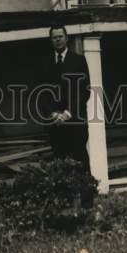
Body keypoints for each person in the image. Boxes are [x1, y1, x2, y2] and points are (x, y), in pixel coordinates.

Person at [44, 23, 94, 204]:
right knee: (59, 161)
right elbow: (42, 93)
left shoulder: (78, 60)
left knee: (80, 159)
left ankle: (87, 202)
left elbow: (85, 91)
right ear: (51, 40)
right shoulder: (47, 63)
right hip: (55, 123)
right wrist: (53, 113)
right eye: (54, 37)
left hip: (75, 121)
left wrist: (68, 112)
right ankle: (64, 202)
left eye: (60, 36)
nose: (57, 40)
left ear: (67, 38)